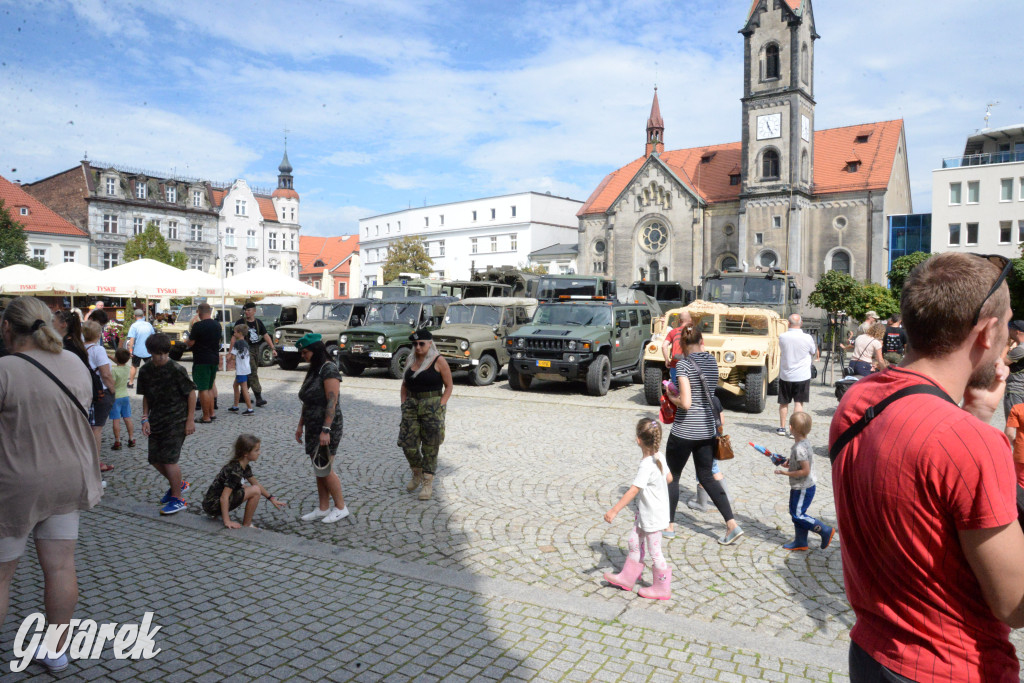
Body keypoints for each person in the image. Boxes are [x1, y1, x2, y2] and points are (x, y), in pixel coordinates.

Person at [830, 252, 1024, 682]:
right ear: (988, 331)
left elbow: (923, 497)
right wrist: (975, 431)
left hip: (872, 653)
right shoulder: (974, 446)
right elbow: (1014, 606)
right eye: (1008, 324)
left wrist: (973, 414)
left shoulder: (857, 401)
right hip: (953, 668)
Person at [0, 297, 101, 673]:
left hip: (17, 481)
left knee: (2, 574)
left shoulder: (5, 369)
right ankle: (57, 650)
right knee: (60, 567)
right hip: (68, 477)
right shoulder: (74, 361)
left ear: (7, 328)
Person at [665, 325, 743, 545]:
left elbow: (687, 403)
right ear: (702, 341)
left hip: (685, 430)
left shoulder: (683, 365)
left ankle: (669, 526)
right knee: (707, 476)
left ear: (681, 345)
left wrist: (672, 397)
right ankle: (732, 525)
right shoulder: (711, 361)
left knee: (672, 476)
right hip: (707, 429)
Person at [602, 418, 674, 600]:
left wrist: (614, 510)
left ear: (638, 440)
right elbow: (670, 478)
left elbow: (634, 490)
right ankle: (628, 577)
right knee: (634, 541)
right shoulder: (659, 457)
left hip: (653, 516)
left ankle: (662, 588)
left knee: (655, 551)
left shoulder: (647, 465)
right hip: (646, 513)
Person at [137, 333, 197, 515]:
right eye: (158, 354)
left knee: (169, 460)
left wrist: (190, 419)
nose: (162, 357)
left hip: (176, 420)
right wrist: (145, 417)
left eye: (165, 353)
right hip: (156, 419)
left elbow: (191, 393)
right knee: (154, 459)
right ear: (149, 352)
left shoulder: (177, 369)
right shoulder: (145, 370)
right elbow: (146, 395)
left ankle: (178, 498)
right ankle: (178, 484)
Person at [294, 333, 349, 523]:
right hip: (312, 424)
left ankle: (341, 507)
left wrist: (326, 430)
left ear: (316, 350)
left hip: (327, 426)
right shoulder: (314, 369)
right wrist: (301, 425)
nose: (303, 355)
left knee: (325, 468)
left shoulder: (329, 369)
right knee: (318, 468)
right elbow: (307, 399)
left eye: (305, 352)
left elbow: (332, 402)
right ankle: (323, 507)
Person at [399, 329, 454, 501]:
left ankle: (427, 482)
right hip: (412, 405)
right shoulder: (411, 360)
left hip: (432, 405)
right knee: (408, 444)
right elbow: (404, 385)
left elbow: (449, 386)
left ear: (430, 343)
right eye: (414, 344)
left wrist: (441, 405)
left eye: (421, 343)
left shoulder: (439, 361)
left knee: (431, 446)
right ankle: (417, 473)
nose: (418, 347)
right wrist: (403, 404)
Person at [774, 411, 834, 551]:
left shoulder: (799, 448)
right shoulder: (804, 443)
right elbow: (801, 463)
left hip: (803, 487)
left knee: (798, 514)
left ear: (790, 428)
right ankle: (801, 542)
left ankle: (824, 530)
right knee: (796, 512)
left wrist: (785, 472)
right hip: (802, 486)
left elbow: (805, 470)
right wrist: (789, 463)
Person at [201, 434, 285, 528]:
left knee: (251, 488)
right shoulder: (235, 471)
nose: (259, 453)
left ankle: (245, 522)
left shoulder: (243, 465)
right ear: (246, 453)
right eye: (256, 450)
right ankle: (247, 524)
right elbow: (224, 497)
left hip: (212, 503)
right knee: (255, 491)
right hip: (213, 505)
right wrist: (227, 521)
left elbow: (255, 483)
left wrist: (271, 498)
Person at [777, 313, 818, 437]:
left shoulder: (782, 337)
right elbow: (813, 351)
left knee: (784, 403)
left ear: (788, 323)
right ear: (801, 323)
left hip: (786, 374)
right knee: (798, 403)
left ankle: (782, 428)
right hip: (802, 375)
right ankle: (794, 430)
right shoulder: (807, 338)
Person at [83, 320, 115, 473]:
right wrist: (113, 390)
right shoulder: (98, 350)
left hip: (83, 391)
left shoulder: (79, 349)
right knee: (96, 428)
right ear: (98, 334)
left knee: (87, 427)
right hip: (99, 392)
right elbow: (106, 374)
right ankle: (95, 463)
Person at [235, 302, 276, 407]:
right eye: (245, 310)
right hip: (245, 350)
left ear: (254, 311)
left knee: (250, 372)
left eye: (249, 310)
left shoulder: (258, 322)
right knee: (252, 372)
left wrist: (273, 348)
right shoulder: (240, 322)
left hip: (256, 349)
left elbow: (265, 335)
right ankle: (258, 397)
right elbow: (233, 337)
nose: (246, 312)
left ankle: (242, 397)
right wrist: (231, 352)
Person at [187, 303, 221, 423]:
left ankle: (205, 416)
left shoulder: (198, 326)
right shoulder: (217, 325)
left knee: (202, 389)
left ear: (199, 312)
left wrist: (186, 341)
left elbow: (191, 343)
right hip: (214, 359)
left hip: (201, 359)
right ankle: (212, 413)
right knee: (210, 387)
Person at [108, 348, 136, 450]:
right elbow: (119, 361)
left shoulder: (114, 370)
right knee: (127, 418)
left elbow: (112, 383)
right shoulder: (127, 368)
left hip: (115, 397)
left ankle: (117, 441)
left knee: (116, 420)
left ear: (116, 358)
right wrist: (109, 356)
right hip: (125, 396)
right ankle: (131, 438)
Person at [1001, 320, 1024, 437]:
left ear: (1017, 331)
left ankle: (1014, 453)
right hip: (1020, 390)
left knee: (1012, 428)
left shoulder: (1021, 349)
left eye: (1010, 329)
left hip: (1015, 391)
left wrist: (1006, 345)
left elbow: (1000, 362)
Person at [228, 324, 254, 415]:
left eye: (235, 332)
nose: (234, 333)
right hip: (246, 368)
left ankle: (250, 408)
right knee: (235, 385)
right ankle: (235, 406)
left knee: (244, 388)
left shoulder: (237, 343)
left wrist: (227, 359)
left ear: (239, 333)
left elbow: (232, 356)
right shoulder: (245, 343)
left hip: (241, 370)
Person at [660, 309, 692, 386]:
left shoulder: (673, 331)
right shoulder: (692, 331)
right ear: (690, 320)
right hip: (689, 364)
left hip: (675, 364)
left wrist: (667, 360)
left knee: (676, 387)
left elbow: (664, 346)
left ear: (680, 321)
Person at [126, 308, 155, 388]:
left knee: (134, 366)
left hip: (137, 350)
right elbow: (153, 336)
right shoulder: (148, 325)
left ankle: (131, 382)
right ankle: (151, 383)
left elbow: (131, 339)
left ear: (134, 316)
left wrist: (130, 350)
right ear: (143, 316)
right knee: (150, 367)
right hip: (148, 350)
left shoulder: (134, 326)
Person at [1002, 402, 1024, 488]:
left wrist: (1016, 444)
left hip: (1021, 454)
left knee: (1021, 483)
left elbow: (1009, 434)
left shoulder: (1017, 408)